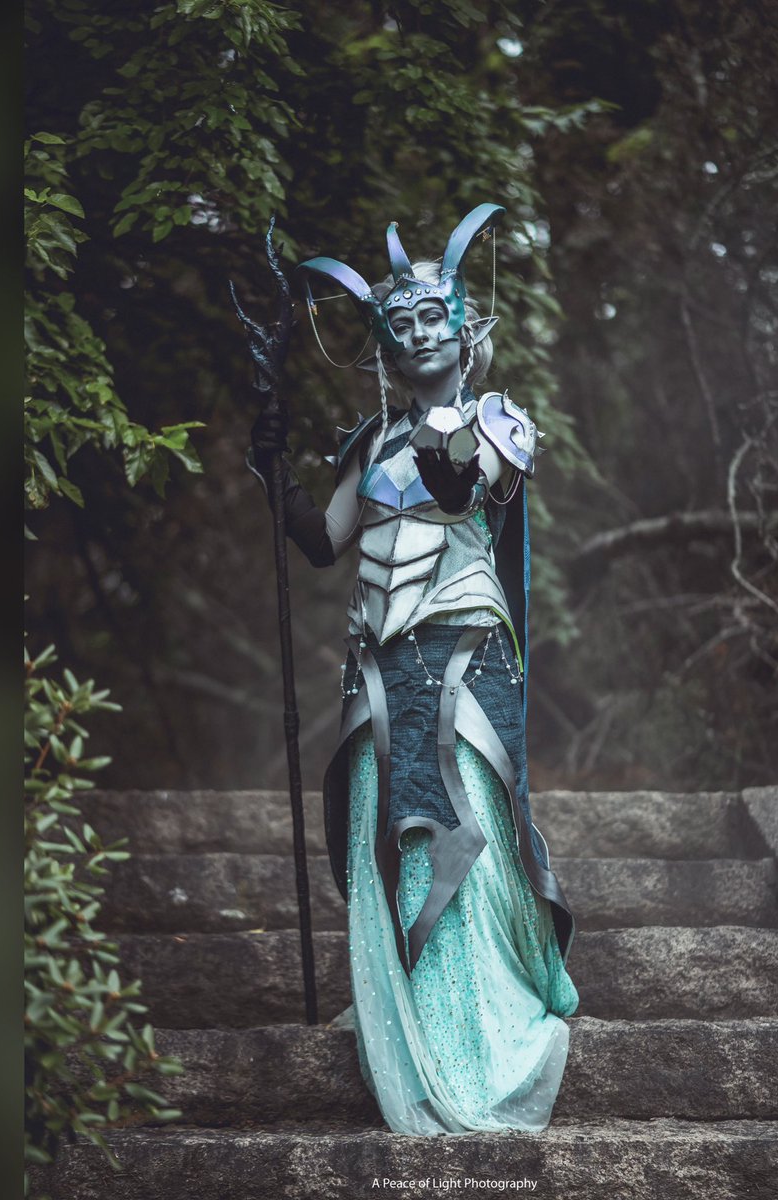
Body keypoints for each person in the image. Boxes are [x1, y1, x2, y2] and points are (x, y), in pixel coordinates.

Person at [246, 203, 579, 1136]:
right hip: (379, 668)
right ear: (385, 345)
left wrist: (446, 445)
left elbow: (469, 488)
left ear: (466, 331)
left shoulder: (498, 421)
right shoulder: (369, 442)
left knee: (459, 840)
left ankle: (481, 1046)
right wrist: (274, 467)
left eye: (437, 316)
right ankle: (410, 1039)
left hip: (464, 651)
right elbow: (326, 542)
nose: (421, 331)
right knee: (387, 843)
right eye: (403, 321)